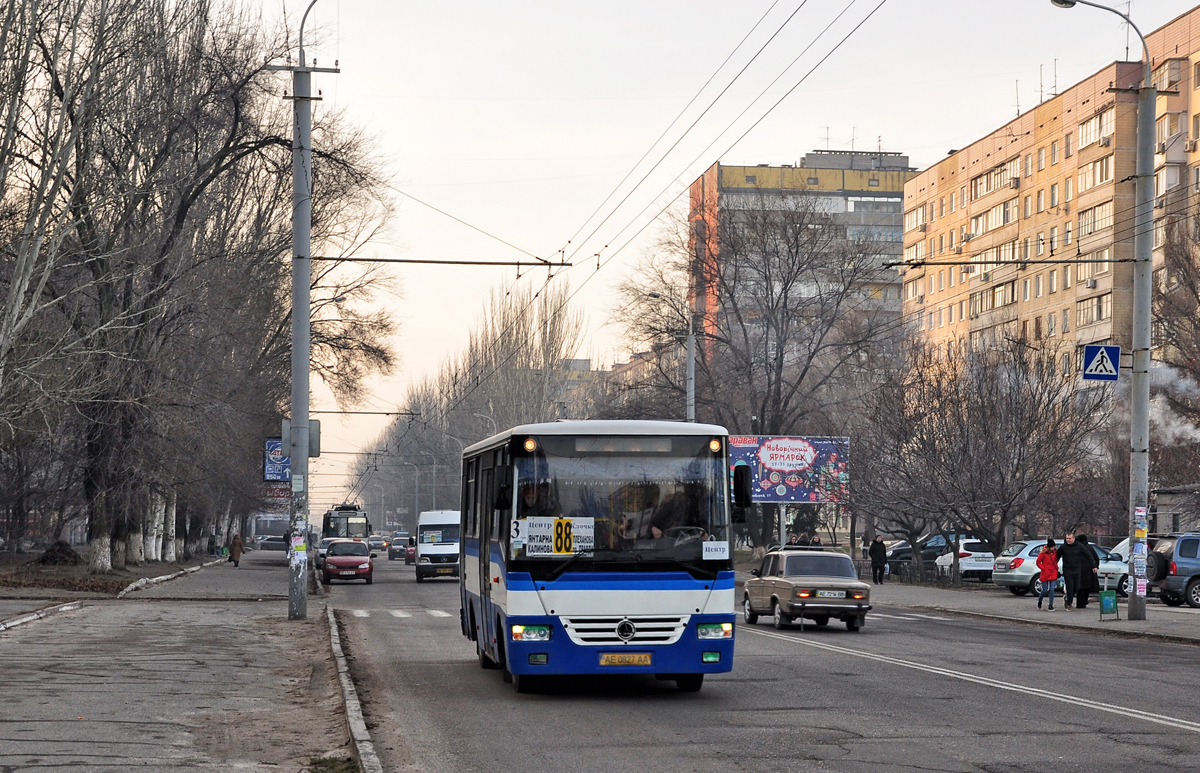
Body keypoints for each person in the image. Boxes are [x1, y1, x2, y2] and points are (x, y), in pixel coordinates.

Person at [1057, 532, 1090, 610]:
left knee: (1076, 587)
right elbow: (1056, 558)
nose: (1068, 540)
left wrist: (1094, 566)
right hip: (1067, 571)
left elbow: (1088, 555)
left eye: (1070, 538)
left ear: (1073, 539)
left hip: (1077, 570)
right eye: (1067, 538)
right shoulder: (1063, 547)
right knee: (1070, 588)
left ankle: (1067, 598)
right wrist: (1055, 568)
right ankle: (1069, 603)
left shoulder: (1079, 546)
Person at [1074, 533, 1100, 608]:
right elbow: (1096, 558)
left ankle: (1080, 603)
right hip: (1089, 571)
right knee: (1087, 587)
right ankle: (1084, 601)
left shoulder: (1077, 548)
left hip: (1080, 570)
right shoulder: (1090, 548)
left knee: (1080, 588)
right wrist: (1095, 567)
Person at [1035, 539, 1058, 611]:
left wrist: (1056, 568)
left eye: (1054, 547)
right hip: (1046, 573)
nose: (1053, 548)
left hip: (1053, 572)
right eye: (1052, 547)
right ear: (1049, 547)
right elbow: (1038, 562)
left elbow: (1056, 560)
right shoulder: (1043, 553)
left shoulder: (1055, 552)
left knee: (1052, 589)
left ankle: (1050, 604)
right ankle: (1040, 600)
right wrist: (1043, 568)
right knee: (1044, 590)